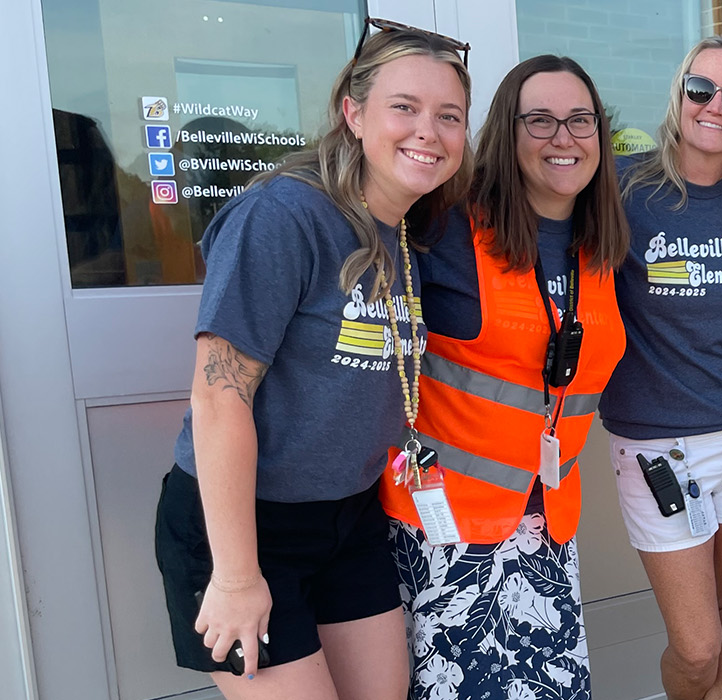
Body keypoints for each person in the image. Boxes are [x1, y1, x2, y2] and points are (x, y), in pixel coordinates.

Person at [152, 22, 471, 700]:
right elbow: (218, 396)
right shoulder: (285, 215)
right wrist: (238, 576)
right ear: (354, 114)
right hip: (242, 525)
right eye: (404, 108)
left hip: (347, 517)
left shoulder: (404, 233)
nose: (429, 131)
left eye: (449, 116)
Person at [379, 55, 630, 700]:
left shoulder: (602, 241)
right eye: (539, 120)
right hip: (446, 532)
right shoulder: (446, 229)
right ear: (505, 133)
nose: (562, 137)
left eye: (580, 120)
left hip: (547, 529)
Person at [603, 37, 722, 700]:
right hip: (659, 448)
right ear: (679, 94)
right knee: (697, 644)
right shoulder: (620, 188)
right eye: (702, 90)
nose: (717, 107)